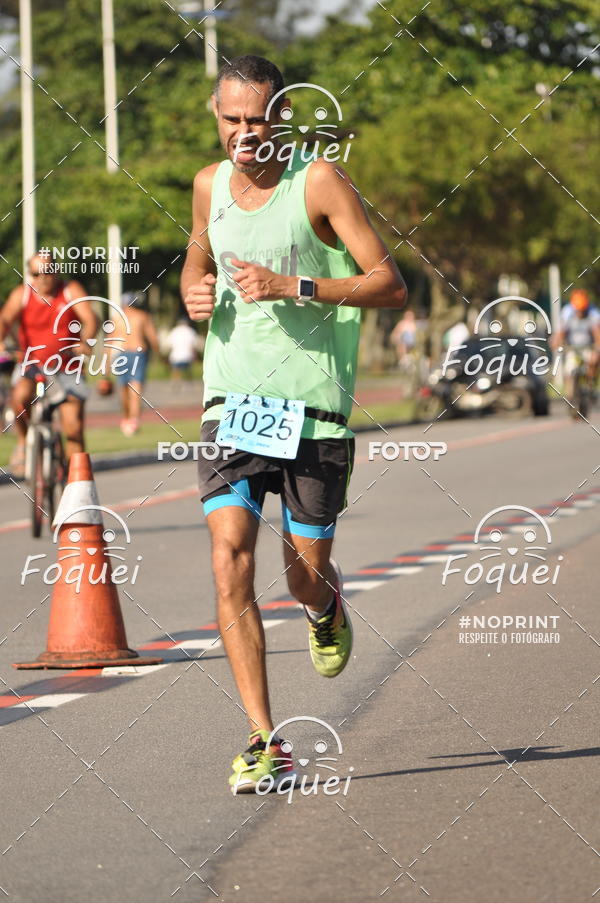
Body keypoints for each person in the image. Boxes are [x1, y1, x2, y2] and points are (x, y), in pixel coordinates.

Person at [181, 55, 406, 793]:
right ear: (215, 116)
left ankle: (326, 607)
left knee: (302, 576)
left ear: (282, 117)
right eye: (231, 119)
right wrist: (193, 287)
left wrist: (294, 285)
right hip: (233, 401)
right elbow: (195, 258)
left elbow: (388, 282)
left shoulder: (319, 182)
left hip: (313, 407)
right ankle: (261, 739)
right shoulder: (208, 186)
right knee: (228, 557)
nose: (244, 134)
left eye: (258, 119)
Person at [0, 252, 98, 476]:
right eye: (36, 273)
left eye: (48, 271)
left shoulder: (70, 290)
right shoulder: (22, 294)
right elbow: (5, 318)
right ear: (30, 276)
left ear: (57, 270)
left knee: (73, 427)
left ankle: (75, 485)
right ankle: (24, 443)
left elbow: (90, 319)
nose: (43, 278)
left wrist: (86, 341)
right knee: (19, 398)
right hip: (32, 364)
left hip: (67, 366)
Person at [114, 291, 160, 436]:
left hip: (127, 354)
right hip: (132, 354)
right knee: (131, 389)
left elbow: (108, 343)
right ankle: (131, 419)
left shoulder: (119, 318)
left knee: (128, 389)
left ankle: (130, 419)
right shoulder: (138, 317)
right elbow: (153, 338)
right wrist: (158, 354)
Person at [554, 289, 600, 401]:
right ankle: (570, 395)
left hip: (588, 346)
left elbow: (597, 332)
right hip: (572, 348)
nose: (580, 313)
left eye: (582, 310)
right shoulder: (567, 312)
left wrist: (598, 347)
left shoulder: (593, 313)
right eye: (578, 310)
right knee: (569, 370)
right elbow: (561, 332)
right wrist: (556, 343)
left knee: (593, 360)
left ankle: (590, 384)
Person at [166, 317, 200, 382]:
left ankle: (175, 381)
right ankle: (190, 382)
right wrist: (195, 356)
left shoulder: (174, 331)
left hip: (175, 356)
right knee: (188, 369)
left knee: (176, 369)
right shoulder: (191, 331)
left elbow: (169, 345)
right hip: (188, 356)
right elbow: (194, 345)